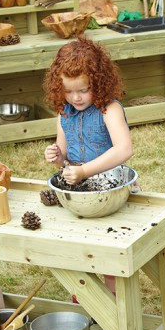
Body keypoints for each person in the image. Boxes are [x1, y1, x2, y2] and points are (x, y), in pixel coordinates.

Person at [43, 37, 132, 295]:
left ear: (99, 82)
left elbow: (124, 149)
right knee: (78, 250)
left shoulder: (109, 109)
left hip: (110, 191)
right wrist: (58, 157)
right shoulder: (64, 113)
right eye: (68, 91)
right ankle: (84, 302)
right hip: (80, 194)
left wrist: (84, 171)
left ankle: (115, 301)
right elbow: (66, 156)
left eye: (83, 90)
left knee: (109, 253)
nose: (76, 97)